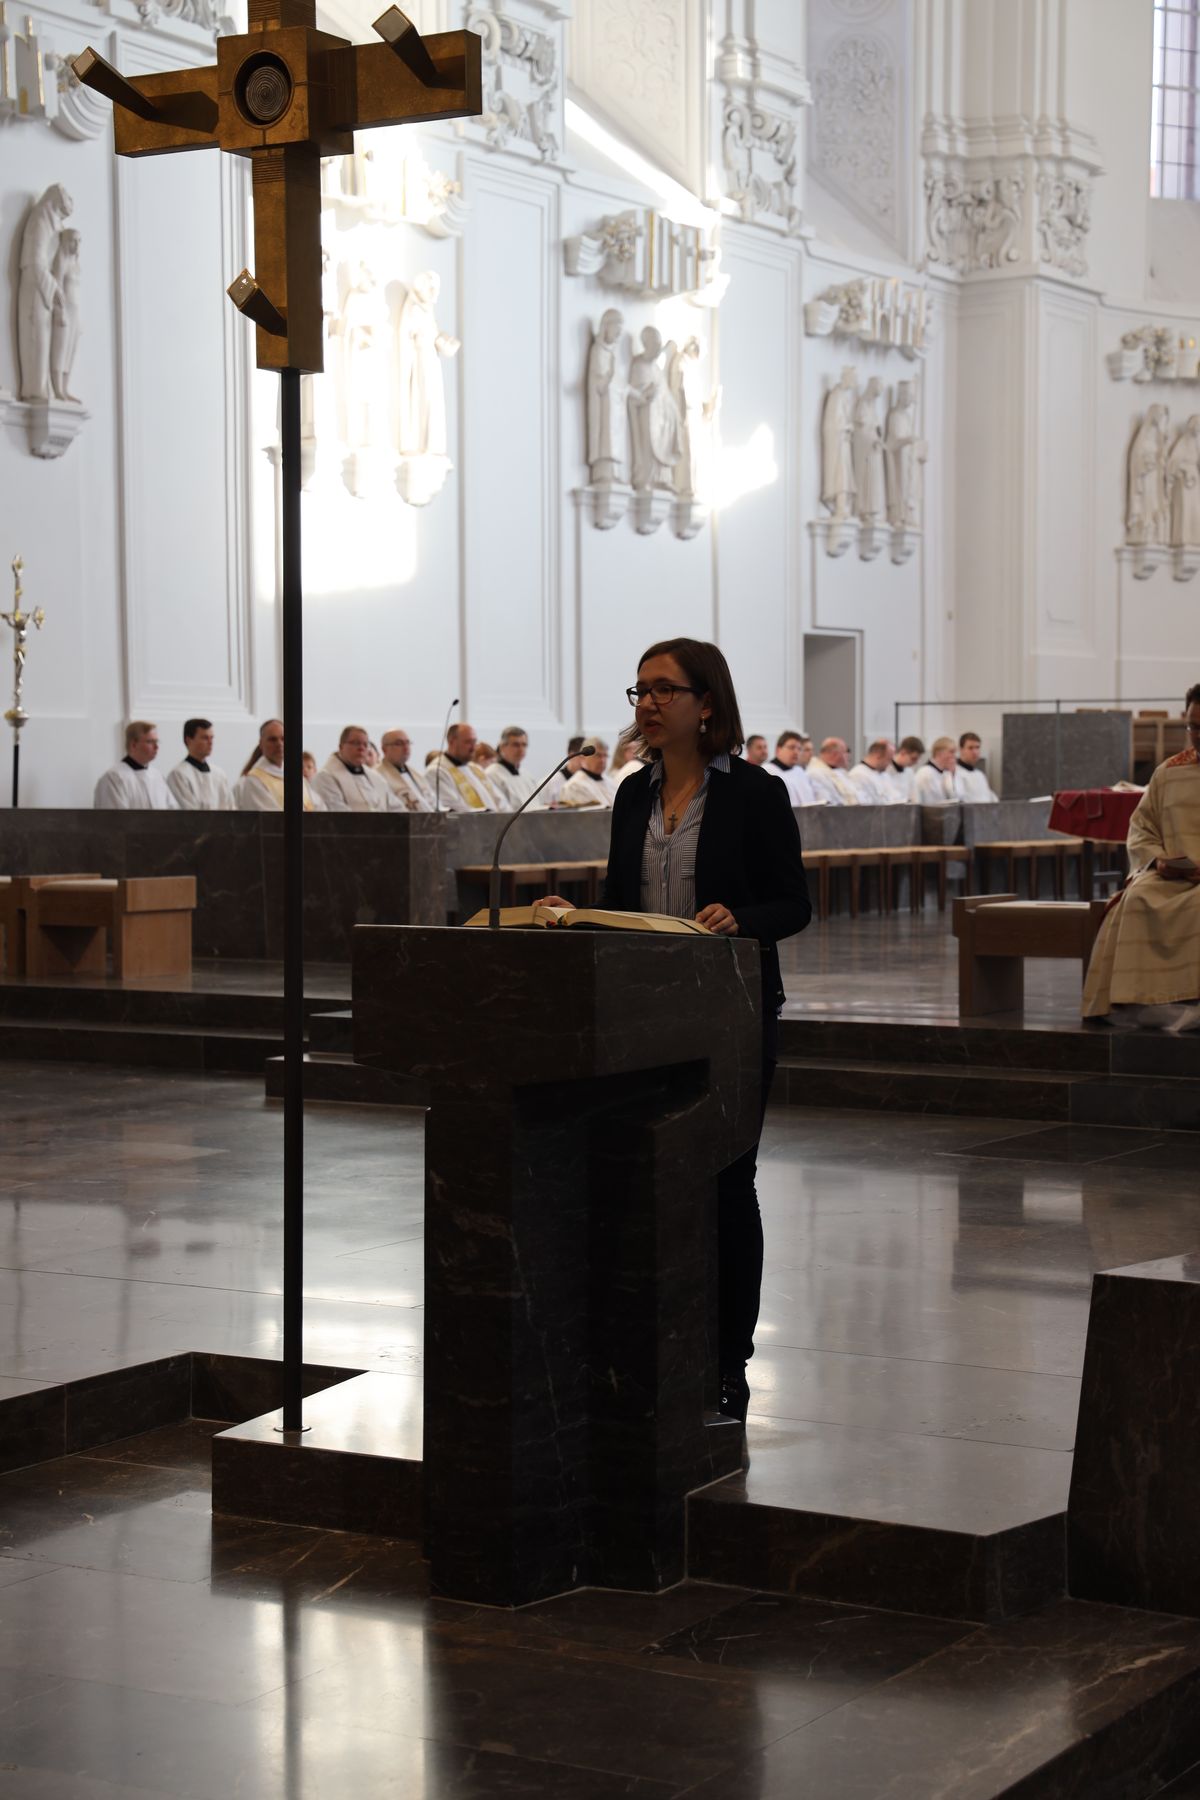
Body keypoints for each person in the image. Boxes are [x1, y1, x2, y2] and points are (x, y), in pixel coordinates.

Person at [542, 637, 811, 1428]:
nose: (648, 705)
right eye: (640, 692)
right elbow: (620, 896)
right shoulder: (631, 795)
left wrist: (742, 919)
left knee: (727, 1182)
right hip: (640, 1014)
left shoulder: (756, 794)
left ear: (708, 704)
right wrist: (575, 915)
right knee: (634, 1178)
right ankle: (643, 1349)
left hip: (730, 1012)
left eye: (664, 690)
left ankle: (729, 1367)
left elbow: (793, 903)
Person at [1085, 684, 1200, 1025]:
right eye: (1193, 726)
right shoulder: (1169, 773)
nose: (1197, 735)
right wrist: (1159, 861)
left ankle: (1188, 997)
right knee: (1135, 899)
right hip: (1174, 876)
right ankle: (1139, 1002)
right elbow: (1141, 829)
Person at [236, 718, 324, 811]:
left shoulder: (296, 775)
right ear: (261, 744)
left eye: (283, 739)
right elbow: (269, 818)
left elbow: (318, 806)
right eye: (273, 739)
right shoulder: (254, 780)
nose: (279, 744)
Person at [315, 725, 404, 812]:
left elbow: (396, 807)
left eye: (365, 744)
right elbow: (337, 815)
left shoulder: (376, 777)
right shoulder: (326, 777)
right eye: (356, 743)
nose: (361, 748)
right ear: (341, 747)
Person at [94, 721, 179, 810]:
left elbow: (172, 811)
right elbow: (114, 819)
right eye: (150, 742)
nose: (156, 747)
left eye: (157, 741)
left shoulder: (157, 776)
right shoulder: (114, 778)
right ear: (133, 744)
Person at [426, 722, 497, 810]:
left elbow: (499, 800)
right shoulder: (437, 771)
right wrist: (486, 813)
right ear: (452, 742)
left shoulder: (475, 768)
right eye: (468, 742)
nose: (473, 748)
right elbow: (454, 808)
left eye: (474, 742)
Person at [167, 718, 234, 810]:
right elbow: (188, 812)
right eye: (205, 738)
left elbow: (229, 807)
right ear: (188, 740)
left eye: (212, 738)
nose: (210, 743)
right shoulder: (178, 775)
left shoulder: (219, 774)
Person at [379, 729, 436, 811]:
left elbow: (431, 802)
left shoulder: (417, 774)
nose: (406, 747)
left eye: (407, 743)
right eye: (399, 743)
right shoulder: (378, 775)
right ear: (384, 749)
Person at [487, 726, 539, 809]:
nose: (521, 749)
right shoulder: (492, 774)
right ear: (502, 747)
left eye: (524, 745)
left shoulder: (528, 776)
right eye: (516, 745)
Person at [765, 731, 820, 805]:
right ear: (778, 749)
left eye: (799, 749)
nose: (796, 752)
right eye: (792, 747)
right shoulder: (767, 772)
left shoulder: (800, 771)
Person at [558, 738, 617, 807]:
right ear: (584, 757)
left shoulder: (611, 782)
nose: (602, 760)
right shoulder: (574, 786)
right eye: (598, 755)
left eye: (605, 756)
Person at [536, 735, 587, 809]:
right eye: (582, 756)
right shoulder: (550, 782)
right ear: (571, 755)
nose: (586, 761)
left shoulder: (589, 781)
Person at [805, 738, 860, 805]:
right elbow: (825, 802)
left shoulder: (841, 772)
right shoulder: (814, 774)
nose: (848, 756)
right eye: (846, 752)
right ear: (835, 754)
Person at [848, 739, 900, 805]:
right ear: (878, 756)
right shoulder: (858, 775)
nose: (890, 764)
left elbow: (895, 797)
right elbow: (864, 805)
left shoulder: (884, 774)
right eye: (889, 759)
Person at [955, 731, 999, 803]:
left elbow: (990, 797)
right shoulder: (955, 774)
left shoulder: (980, 774)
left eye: (977, 747)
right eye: (970, 748)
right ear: (961, 750)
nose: (975, 752)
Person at [913, 736, 959, 803]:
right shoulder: (924, 773)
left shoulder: (946, 773)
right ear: (939, 753)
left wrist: (952, 775)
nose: (954, 756)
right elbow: (917, 801)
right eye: (951, 752)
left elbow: (954, 798)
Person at [885, 735, 925, 802]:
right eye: (913, 758)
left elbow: (915, 798)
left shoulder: (910, 772)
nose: (916, 762)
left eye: (918, 759)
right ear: (903, 752)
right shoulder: (886, 769)